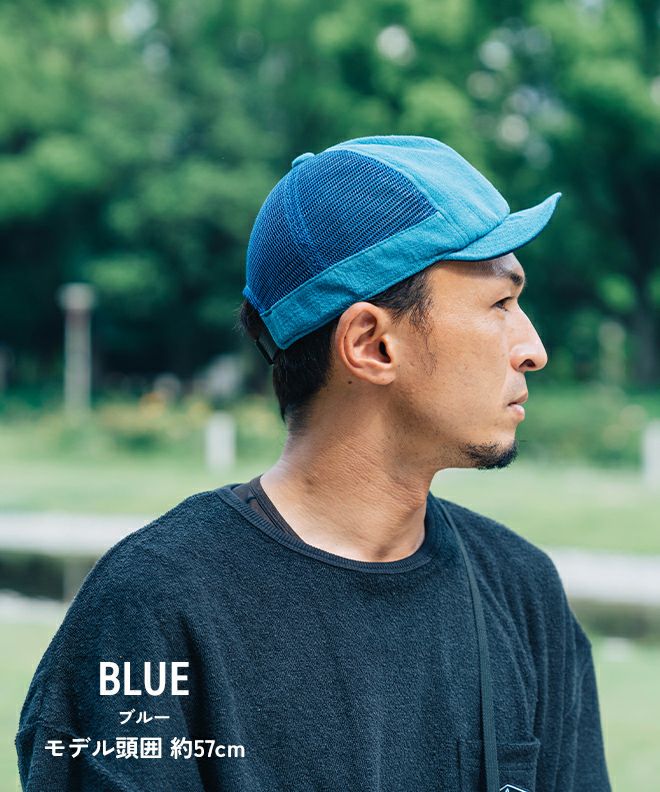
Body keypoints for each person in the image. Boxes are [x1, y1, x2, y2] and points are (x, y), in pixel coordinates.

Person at [16, 135, 611, 791]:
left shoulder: (521, 592)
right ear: (372, 344)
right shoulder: (153, 611)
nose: (533, 349)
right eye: (500, 304)